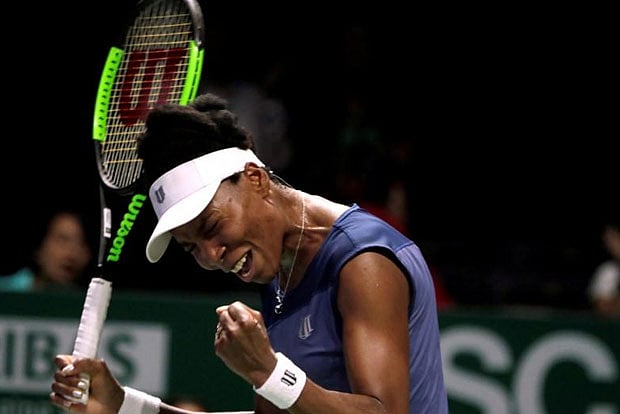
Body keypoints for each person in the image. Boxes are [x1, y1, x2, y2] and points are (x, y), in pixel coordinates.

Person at [50, 93, 448, 413]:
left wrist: (268, 371)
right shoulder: (279, 272)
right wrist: (123, 405)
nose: (211, 256)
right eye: (191, 247)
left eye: (211, 228)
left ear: (255, 178)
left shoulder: (362, 260)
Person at [0, 207, 93, 292]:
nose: (72, 254)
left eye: (82, 244)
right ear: (39, 246)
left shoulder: (86, 298)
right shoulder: (5, 291)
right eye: (62, 240)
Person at [587, 218, 620, 316]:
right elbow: (602, 308)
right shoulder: (607, 271)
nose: (610, 245)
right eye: (607, 240)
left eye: (614, 238)